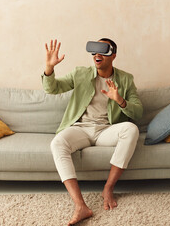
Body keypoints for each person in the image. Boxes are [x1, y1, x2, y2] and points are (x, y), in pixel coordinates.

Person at [42, 38, 143, 225]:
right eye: (94, 50)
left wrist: (120, 100)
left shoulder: (126, 79)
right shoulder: (80, 73)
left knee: (131, 129)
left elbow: (138, 111)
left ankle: (108, 188)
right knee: (57, 143)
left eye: (103, 50)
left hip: (107, 130)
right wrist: (49, 68)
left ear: (113, 56)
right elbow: (52, 88)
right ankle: (80, 206)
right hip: (81, 129)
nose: (97, 54)